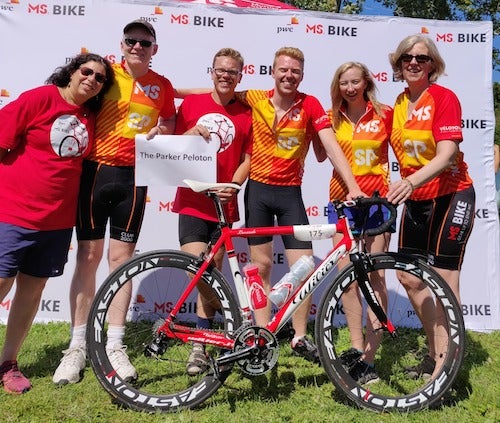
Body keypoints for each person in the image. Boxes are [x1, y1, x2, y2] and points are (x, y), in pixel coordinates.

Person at [53, 19, 177, 385]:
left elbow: (169, 117)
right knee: (88, 257)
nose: (137, 46)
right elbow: (70, 97)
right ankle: (77, 346)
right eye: (131, 40)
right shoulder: (104, 75)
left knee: (122, 262)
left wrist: (163, 131)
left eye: (145, 41)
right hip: (95, 172)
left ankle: (115, 344)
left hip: (135, 178)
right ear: (122, 45)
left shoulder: (163, 86)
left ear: (154, 49)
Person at [236, 47, 365, 362]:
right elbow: (217, 93)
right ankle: (261, 335)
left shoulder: (310, 104)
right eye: (283, 70)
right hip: (258, 191)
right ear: (273, 72)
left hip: (291, 192)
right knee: (261, 267)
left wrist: (353, 186)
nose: (288, 75)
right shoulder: (254, 97)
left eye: (294, 71)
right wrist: (173, 93)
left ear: (302, 75)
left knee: (305, 268)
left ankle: (299, 336)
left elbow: (330, 146)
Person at [0, 53, 113, 394]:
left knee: (31, 292)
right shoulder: (39, 98)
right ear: (71, 72)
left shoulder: (90, 116)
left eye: (100, 78)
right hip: (13, 215)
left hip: (56, 222)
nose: (92, 79)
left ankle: (9, 363)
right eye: (86, 71)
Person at [386, 34, 475, 379]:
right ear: (398, 63)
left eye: (421, 58)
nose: (413, 62)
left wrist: (409, 181)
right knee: (408, 277)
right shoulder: (398, 102)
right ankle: (436, 349)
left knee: (445, 280)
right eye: (407, 57)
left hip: (452, 193)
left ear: (432, 65)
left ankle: (446, 366)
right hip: (418, 198)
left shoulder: (443, 97)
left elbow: (447, 152)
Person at [172, 48, 253, 375]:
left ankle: (200, 345)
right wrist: (188, 136)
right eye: (221, 70)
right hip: (193, 198)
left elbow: (248, 157)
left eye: (232, 72)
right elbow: (171, 146)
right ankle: (228, 315)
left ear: (240, 76)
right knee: (198, 267)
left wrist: (233, 185)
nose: (225, 75)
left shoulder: (247, 111)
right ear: (212, 71)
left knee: (215, 269)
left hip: (225, 203)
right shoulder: (191, 104)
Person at [326, 62, 393, 384]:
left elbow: (405, 153)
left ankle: (369, 357)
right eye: (344, 83)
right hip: (342, 204)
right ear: (337, 86)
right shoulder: (330, 117)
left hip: (376, 204)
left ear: (366, 82)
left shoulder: (386, 113)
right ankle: (354, 350)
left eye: (355, 82)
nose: (350, 88)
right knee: (348, 280)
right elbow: (319, 152)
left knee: (376, 278)